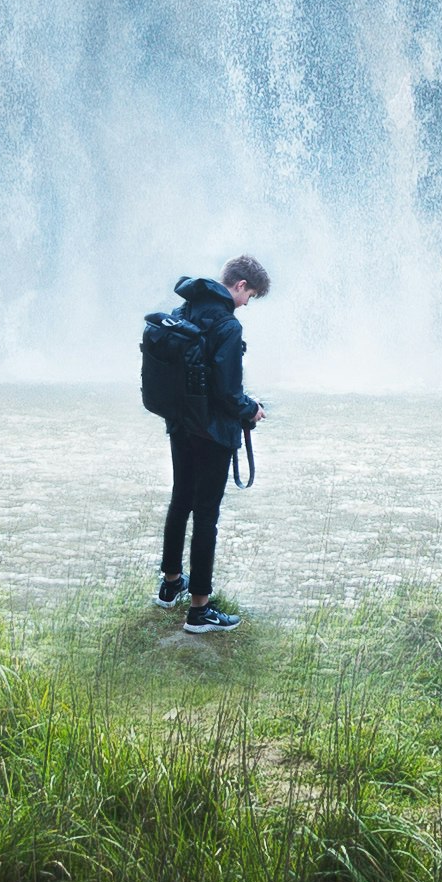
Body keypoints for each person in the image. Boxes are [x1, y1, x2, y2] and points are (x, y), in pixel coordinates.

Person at [159, 252, 269, 632]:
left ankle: (171, 586)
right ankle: (200, 610)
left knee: (180, 501)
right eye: (250, 296)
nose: (247, 304)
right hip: (212, 434)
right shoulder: (227, 326)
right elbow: (225, 392)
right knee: (206, 515)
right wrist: (250, 409)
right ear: (239, 286)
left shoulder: (185, 310)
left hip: (181, 425)